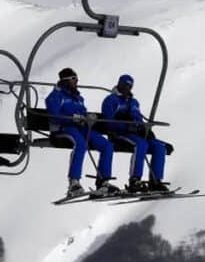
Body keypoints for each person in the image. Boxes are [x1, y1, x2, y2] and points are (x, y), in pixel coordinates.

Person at [45, 67, 118, 198]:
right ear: (65, 80)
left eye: (76, 78)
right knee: (81, 145)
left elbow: (83, 112)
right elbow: (54, 116)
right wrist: (72, 118)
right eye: (74, 79)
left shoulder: (78, 98)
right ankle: (74, 183)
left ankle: (103, 182)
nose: (77, 81)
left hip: (81, 128)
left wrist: (88, 117)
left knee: (107, 145)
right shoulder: (55, 96)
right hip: (63, 128)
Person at [101, 74, 170, 193]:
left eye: (129, 86)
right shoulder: (111, 100)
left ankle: (155, 181)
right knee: (141, 145)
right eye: (125, 85)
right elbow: (108, 121)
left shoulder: (134, 102)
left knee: (159, 146)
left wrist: (146, 130)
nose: (127, 88)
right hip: (119, 133)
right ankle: (135, 179)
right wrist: (126, 125)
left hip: (135, 133)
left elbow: (138, 119)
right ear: (119, 84)